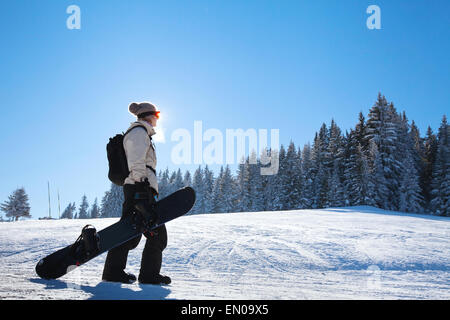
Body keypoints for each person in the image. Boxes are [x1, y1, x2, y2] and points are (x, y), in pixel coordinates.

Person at [102, 102, 171, 285]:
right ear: (148, 114)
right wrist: (142, 189)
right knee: (154, 234)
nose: (157, 118)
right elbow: (136, 162)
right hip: (139, 188)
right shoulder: (138, 132)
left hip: (139, 188)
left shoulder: (141, 133)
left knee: (130, 231)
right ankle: (147, 275)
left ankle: (114, 271)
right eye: (156, 113)